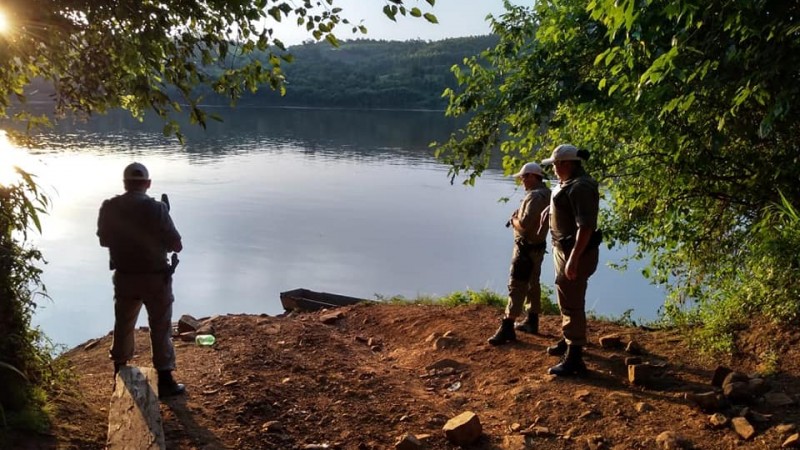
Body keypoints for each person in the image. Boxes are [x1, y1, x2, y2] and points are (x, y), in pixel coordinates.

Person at [97, 162, 185, 397]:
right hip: (155, 278)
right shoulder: (158, 209)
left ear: (125, 183)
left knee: (123, 323)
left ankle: (120, 370)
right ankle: (165, 379)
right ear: (148, 183)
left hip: (125, 277)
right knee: (161, 326)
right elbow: (177, 245)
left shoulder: (109, 207)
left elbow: (104, 240)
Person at [539, 144, 600, 376]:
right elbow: (563, 202)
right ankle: (568, 339)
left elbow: (586, 227)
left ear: (566, 164)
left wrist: (574, 258)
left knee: (572, 300)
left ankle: (575, 358)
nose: (553, 168)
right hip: (563, 248)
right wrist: (550, 210)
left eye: (555, 164)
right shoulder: (567, 183)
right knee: (565, 295)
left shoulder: (581, 187)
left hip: (574, 252)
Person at [488, 162, 551, 345]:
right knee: (532, 283)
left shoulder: (534, 196)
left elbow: (524, 226)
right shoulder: (548, 193)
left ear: (532, 176)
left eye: (523, 177)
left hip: (525, 249)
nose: (521, 181)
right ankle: (532, 321)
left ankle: (507, 326)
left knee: (516, 284)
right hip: (538, 247)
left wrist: (514, 219)